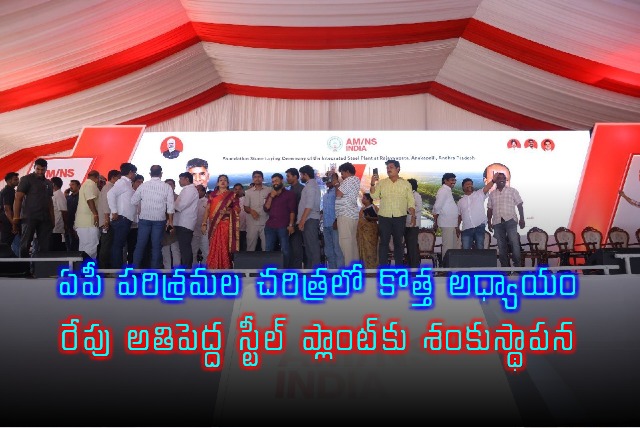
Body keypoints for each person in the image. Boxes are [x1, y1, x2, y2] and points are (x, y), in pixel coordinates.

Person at [370, 160, 415, 266]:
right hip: (384, 217)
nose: (388, 169)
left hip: (400, 217)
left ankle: (398, 268)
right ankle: (383, 269)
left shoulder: (406, 184)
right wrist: (372, 184)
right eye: (387, 168)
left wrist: (413, 216)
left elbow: (411, 201)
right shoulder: (382, 183)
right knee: (383, 243)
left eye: (391, 167)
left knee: (398, 243)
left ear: (398, 169)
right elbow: (374, 196)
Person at [131, 165, 175, 269]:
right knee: (156, 247)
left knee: (140, 245)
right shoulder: (167, 187)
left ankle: (135, 270)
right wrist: (170, 222)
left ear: (150, 174)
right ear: (161, 174)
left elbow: (133, 201)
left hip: (144, 219)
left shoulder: (143, 186)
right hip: (159, 220)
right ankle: (154, 272)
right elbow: (170, 206)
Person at [13, 158, 55, 257]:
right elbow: (18, 198)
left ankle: (41, 266)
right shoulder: (26, 179)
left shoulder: (49, 183)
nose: (40, 172)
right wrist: (16, 217)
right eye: (38, 169)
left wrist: (52, 219)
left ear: (46, 169)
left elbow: (50, 202)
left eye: (42, 169)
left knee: (44, 246)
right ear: (34, 168)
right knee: (25, 244)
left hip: (45, 218)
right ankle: (23, 266)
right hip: (29, 217)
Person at [487, 172, 525, 269]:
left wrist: (522, 218)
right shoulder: (492, 194)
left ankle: (517, 268)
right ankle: (505, 269)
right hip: (497, 222)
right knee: (501, 246)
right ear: (495, 180)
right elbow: (490, 209)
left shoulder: (512, 191)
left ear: (506, 180)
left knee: (514, 243)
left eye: (503, 178)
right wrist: (489, 221)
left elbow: (519, 205)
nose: (502, 179)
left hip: (510, 220)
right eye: (499, 178)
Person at [201, 175, 240, 269]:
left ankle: (225, 267)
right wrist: (204, 223)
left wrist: (228, 211)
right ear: (217, 183)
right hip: (213, 224)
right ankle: (213, 267)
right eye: (221, 180)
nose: (223, 182)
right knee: (213, 247)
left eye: (225, 180)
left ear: (228, 183)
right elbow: (207, 209)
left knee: (223, 246)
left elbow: (237, 209)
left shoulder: (232, 195)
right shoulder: (212, 195)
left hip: (225, 224)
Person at [107, 162, 138, 269]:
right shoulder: (122, 182)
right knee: (118, 245)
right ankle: (116, 270)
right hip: (121, 218)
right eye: (134, 173)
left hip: (125, 219)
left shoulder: (126, 183)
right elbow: (110, 194)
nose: (135, 175)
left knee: (119, 245)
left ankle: (118, 269)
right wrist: (114, 211)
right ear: (130, 172)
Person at [263, 173, 296, 267]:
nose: (275, 183)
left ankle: (285, 270)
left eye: (276, 180)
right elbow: (266, 208)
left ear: (282, 181)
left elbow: (292, 211)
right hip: (270, 226)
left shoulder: (290, 194)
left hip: (283, 226)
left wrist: (291, 225)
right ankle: (270, 270)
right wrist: (271, 197)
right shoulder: (270, 194)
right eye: (273, 182)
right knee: (269, 249)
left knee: (285, 249)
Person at [457, 177, 494, 250]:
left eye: (471, 184)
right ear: (463, 187)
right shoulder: (460, 201)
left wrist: (493, 180)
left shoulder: (479, 194)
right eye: (467, 184)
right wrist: (457, 227)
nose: (470, 185)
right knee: (465, 250)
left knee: (480, 249)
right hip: (466, 228)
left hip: (479, 227)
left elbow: (487, 187)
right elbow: (459, 216)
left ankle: (479, 258)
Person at [335, 162, 361, 265]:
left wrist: (336, 184)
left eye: (342, 173)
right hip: (352, 215)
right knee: (352, 243)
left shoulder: (349, 180)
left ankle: (349, 269)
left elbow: (338, 193)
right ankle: (354, 269)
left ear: (347, 171)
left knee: (345, 243)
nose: (342, 176)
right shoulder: (356, 180)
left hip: (345, 214)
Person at [297, 165, 321, 268]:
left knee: (312, 248)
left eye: (301, 175)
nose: (300, 177)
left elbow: (309, 206)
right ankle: (310, 271)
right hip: (308, 219)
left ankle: (315, 272)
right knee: (309, 248)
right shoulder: (310, 185)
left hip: (309, 220)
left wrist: (302, 221)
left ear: (305, 174)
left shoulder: (311, 186)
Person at [174, 172, 199, 268]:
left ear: (187, 179)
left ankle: (187, 270)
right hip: (182, 222)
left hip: (185, 223)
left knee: (185, 248)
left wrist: (169, 210)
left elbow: (180, 205)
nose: (179, 181)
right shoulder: (186, 190)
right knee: (183, 248)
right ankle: (185, 269)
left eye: (181, 179)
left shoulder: (190, 190)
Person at [75, 170, 101, 259]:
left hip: (84, 223)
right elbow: (90, 199)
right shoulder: (90, 184)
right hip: (89, 222)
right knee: (91, 247)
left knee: (84, 248)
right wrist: (95, 215)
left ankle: (83, 267)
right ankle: (88, 267)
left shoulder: (85, 184)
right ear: (97, 177)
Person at [97, 169, 121, 268]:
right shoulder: (108, 188)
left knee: (108, 245)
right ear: (113, 177)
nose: (120, 180)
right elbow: (106, 205)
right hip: (107, 221)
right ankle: (104, 269)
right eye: (119, 178)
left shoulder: (110, 187)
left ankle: (106, 268)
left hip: (108, 221)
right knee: (106, 246)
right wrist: (107, 220)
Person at [433, 173, 459, 259]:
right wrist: (435, 221)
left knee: (453, 247)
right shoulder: (443, 190)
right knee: (448, 247)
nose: (454, 182)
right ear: (445, 180)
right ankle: (446, 266)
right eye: (452, 180)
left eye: (454, 180)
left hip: (451, 223)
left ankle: (452, 265)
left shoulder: (447, 190)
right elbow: (437, 207)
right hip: (447, 223)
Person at [321, 172, 344, 269]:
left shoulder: (338, 191)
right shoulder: (326, 194)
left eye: (329, 179)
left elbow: (341, 206)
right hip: (326, 225)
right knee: (329, 251)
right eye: (326, 179)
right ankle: (332, 271)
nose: (327, 181)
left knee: (337, 250)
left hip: (335, 224)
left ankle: (340, 272)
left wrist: (337, 220)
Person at [244, 171, 270, 251]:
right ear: (253, 179)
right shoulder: (248, 192)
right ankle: (250, 260)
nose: (257, 178)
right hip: (252, 224)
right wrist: (251, 211)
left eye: (259, 177)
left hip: (266, 223)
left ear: (262, 178)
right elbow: (245, 207)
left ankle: (266, 259)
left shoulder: (269, 190)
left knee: (266, 247)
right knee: (250, 247)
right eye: (255, 177)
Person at [286, 167, 305, 268]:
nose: (287, 178)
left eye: (288, 176)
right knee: (291, 248)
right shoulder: (290, 189)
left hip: (297, 222)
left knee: (296, 248)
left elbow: (300, 208)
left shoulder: (301, 189)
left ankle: (297, 270)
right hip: (291, 222)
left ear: (295, 177)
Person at [126, 174, 146, 266]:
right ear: (133, 183)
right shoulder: (129, 193)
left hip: (141, 224)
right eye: (138, 182)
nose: (140, 184)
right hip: (131, 225)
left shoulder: (144, 194)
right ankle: (131, 266)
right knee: (131, 247)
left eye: (142, 182)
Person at [161, 179, 181, 269]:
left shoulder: (178, 198)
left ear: (174, 186)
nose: (169, 186)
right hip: (163, 225)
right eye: (167, 184)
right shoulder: (161, 197)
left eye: (171, 184)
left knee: (175, 248)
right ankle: (167, 269)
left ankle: (177, 270)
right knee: (165, 248)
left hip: (175, 225)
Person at [356, 193, 379, 269]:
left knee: (370, 250)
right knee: (363, 250)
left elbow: (379, 218)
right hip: (362, 232)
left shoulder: (374, 207)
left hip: (370, 232)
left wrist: (370, 218)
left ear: (369, 200)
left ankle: (372, 268)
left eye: (364, 198)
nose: (362, 200)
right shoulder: (362, 209)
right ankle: (364, 268)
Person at [0, 172, 20, 255]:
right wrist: (13, 224)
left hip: (7, 221)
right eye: (15, 179)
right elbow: (7, 209)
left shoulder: (8, 190)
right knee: (5, 245)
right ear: (9, 181)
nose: (18, 181)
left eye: (17, 179)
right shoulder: (8, 191)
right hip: (7, 222)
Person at [404, 178, 422, 268]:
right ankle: (409, 266)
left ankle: (414, 267)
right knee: (408, 246)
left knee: (412, 247)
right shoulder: (407, 195)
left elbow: (419, 207)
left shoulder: (416, 195)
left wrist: (407, 210)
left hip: (413, 225)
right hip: (406, 224)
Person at [50, 177, 69, 252]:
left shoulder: (58, 194)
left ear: (53, 184)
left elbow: (64, 211)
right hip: (53, 227)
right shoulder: (54, 194)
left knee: (57, 249)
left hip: (57, 227)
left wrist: (65, 225)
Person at [191, 185, 209, 265]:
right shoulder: (192, 202)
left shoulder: (207, 202)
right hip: (194, 230)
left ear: (203, 192)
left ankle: (206, 270)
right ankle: (193, 269)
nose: (196, 191)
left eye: (198, 190)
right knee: (193, 252)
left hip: (205, 231)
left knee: (206, 252)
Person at [65, 180, 80, 251]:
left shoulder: (81, 197)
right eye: (70, 185)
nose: (71, 186)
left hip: (77, 223)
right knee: (69, 244)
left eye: (73, 184)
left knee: (76, 243)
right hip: (69, 223)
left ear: (78, 186)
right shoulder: (69, 198)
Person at [233, 183, 247, 251]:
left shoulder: (246, 199)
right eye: (236, 189)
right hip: (234, 228)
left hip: (245, 227)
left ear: (243, 190)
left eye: (239, 189)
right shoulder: (231, 201)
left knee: (244, 246)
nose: (237, 191)